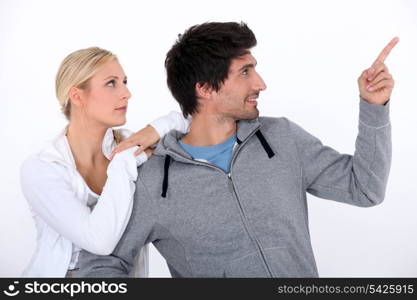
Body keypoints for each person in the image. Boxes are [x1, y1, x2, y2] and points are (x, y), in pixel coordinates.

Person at [76, 22, 396, 277]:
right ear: (204, 88)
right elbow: (100, 266)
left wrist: (374, 107)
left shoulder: (282, 137)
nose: (260, 83)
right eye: (245, 72)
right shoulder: (151, 180)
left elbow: (364, 189)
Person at [20, 47, 189, 277]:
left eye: (125, 82)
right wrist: (124, 162)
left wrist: (154, 129)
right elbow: (99, 241)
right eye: (111, 83)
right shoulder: (42, 168)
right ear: (77, 96)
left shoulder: (132, 142)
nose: (126, 93)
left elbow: (194, 122)